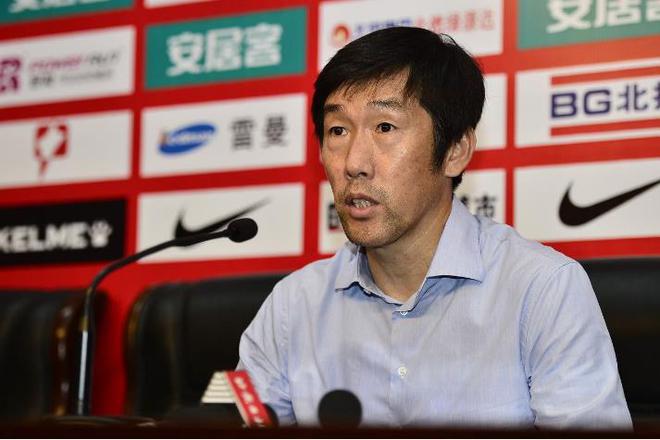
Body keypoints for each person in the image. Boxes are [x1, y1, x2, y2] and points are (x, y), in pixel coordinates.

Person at [237, 27, 632, 430]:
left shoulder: (541, 290)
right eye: (338, 130)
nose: (354, 162)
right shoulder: (292, 307)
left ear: (455, 151)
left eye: (385, 127)